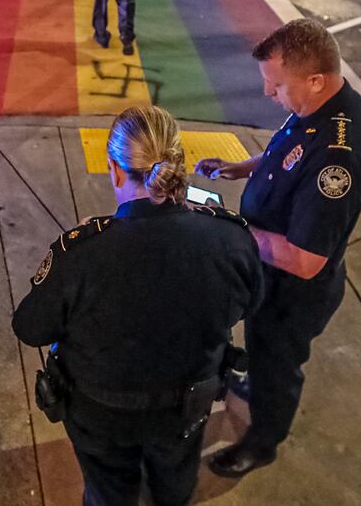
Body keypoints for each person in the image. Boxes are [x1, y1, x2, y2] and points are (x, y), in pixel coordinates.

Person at [13, 105, 263, 506]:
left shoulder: (81, 254)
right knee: (176, 477)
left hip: (100, 415)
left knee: (109, 488)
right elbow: (251, 303)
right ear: (177, 163)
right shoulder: (231, 239)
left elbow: (30, 328)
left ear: (114, 169)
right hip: (185, 409)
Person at [195, 18, 361, 477]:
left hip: (291, 294)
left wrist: (233, 230)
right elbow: (287, 150)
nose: (266, 94)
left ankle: (262, 441)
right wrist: (241, 168)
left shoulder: (340, 158)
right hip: (268, 275)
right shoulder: (317, 108)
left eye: (274, 86)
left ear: (315, 80)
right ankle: (255, 381)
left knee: (277, 362)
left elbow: (303, 258)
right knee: (260, 352)